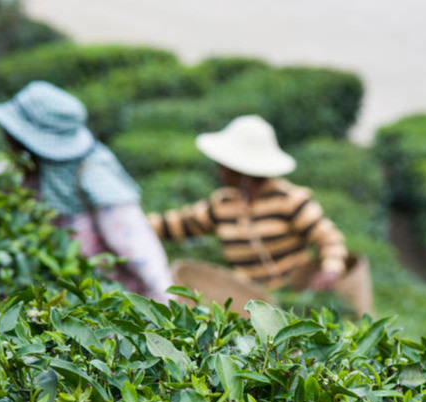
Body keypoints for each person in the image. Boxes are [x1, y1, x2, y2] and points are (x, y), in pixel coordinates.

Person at [0, 81, 172, 303]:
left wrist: (166, 314)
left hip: (109, 303)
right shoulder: (36, 170)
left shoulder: (93, 175)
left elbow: (139, 252)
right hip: (66, 296)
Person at [147, 115, 372, 315]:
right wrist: (134, 225)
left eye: (224, 165)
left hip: (296, 296)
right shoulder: (223, 203)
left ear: (241, 170)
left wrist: (330, 269)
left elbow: (329, 238)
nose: (219, 170)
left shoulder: (290, 200)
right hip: (249, 301)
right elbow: (179, 224)